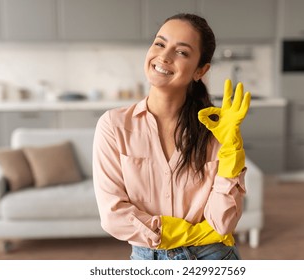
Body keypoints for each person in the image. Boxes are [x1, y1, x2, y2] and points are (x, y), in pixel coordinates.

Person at [93, 13, 251, 260]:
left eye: (182, 52)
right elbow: (114, 216)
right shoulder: (114, 126)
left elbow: (222, 223)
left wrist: (232, 151)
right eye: (160, 43)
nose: (164, 57)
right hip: (147, 260)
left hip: (212, 257)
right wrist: (188, 233)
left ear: (201, 70)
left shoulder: (216, 130)